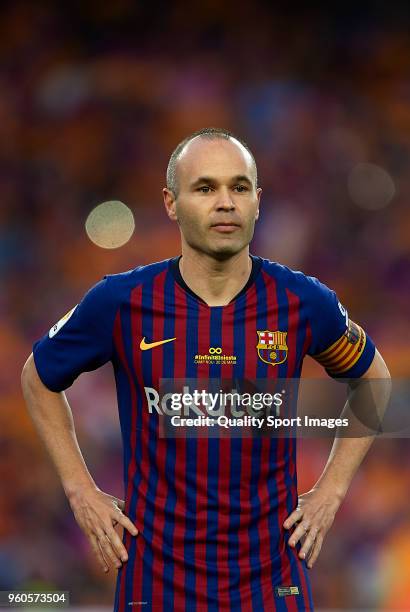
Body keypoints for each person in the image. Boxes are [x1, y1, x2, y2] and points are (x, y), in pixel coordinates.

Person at [22, 127, 390, 611]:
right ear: (171, 203)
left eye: (239, 188)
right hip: (156, 580)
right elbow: (38, 377)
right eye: (205, 188)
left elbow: (374, 381)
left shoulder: (302, 302)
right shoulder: (121, 302)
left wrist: (330, 492)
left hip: (270, 579)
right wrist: (80, 490)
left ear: (257, 201)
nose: (225, 203)